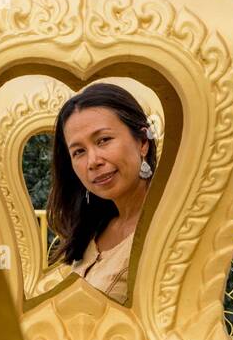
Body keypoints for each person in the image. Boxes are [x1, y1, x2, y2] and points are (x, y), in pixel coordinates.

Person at [45, 82, 157, 304]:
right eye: (79, 152)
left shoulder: (166, 227)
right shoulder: (94, 227)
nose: (93, 161)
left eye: (103, 140)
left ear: (143, 142)